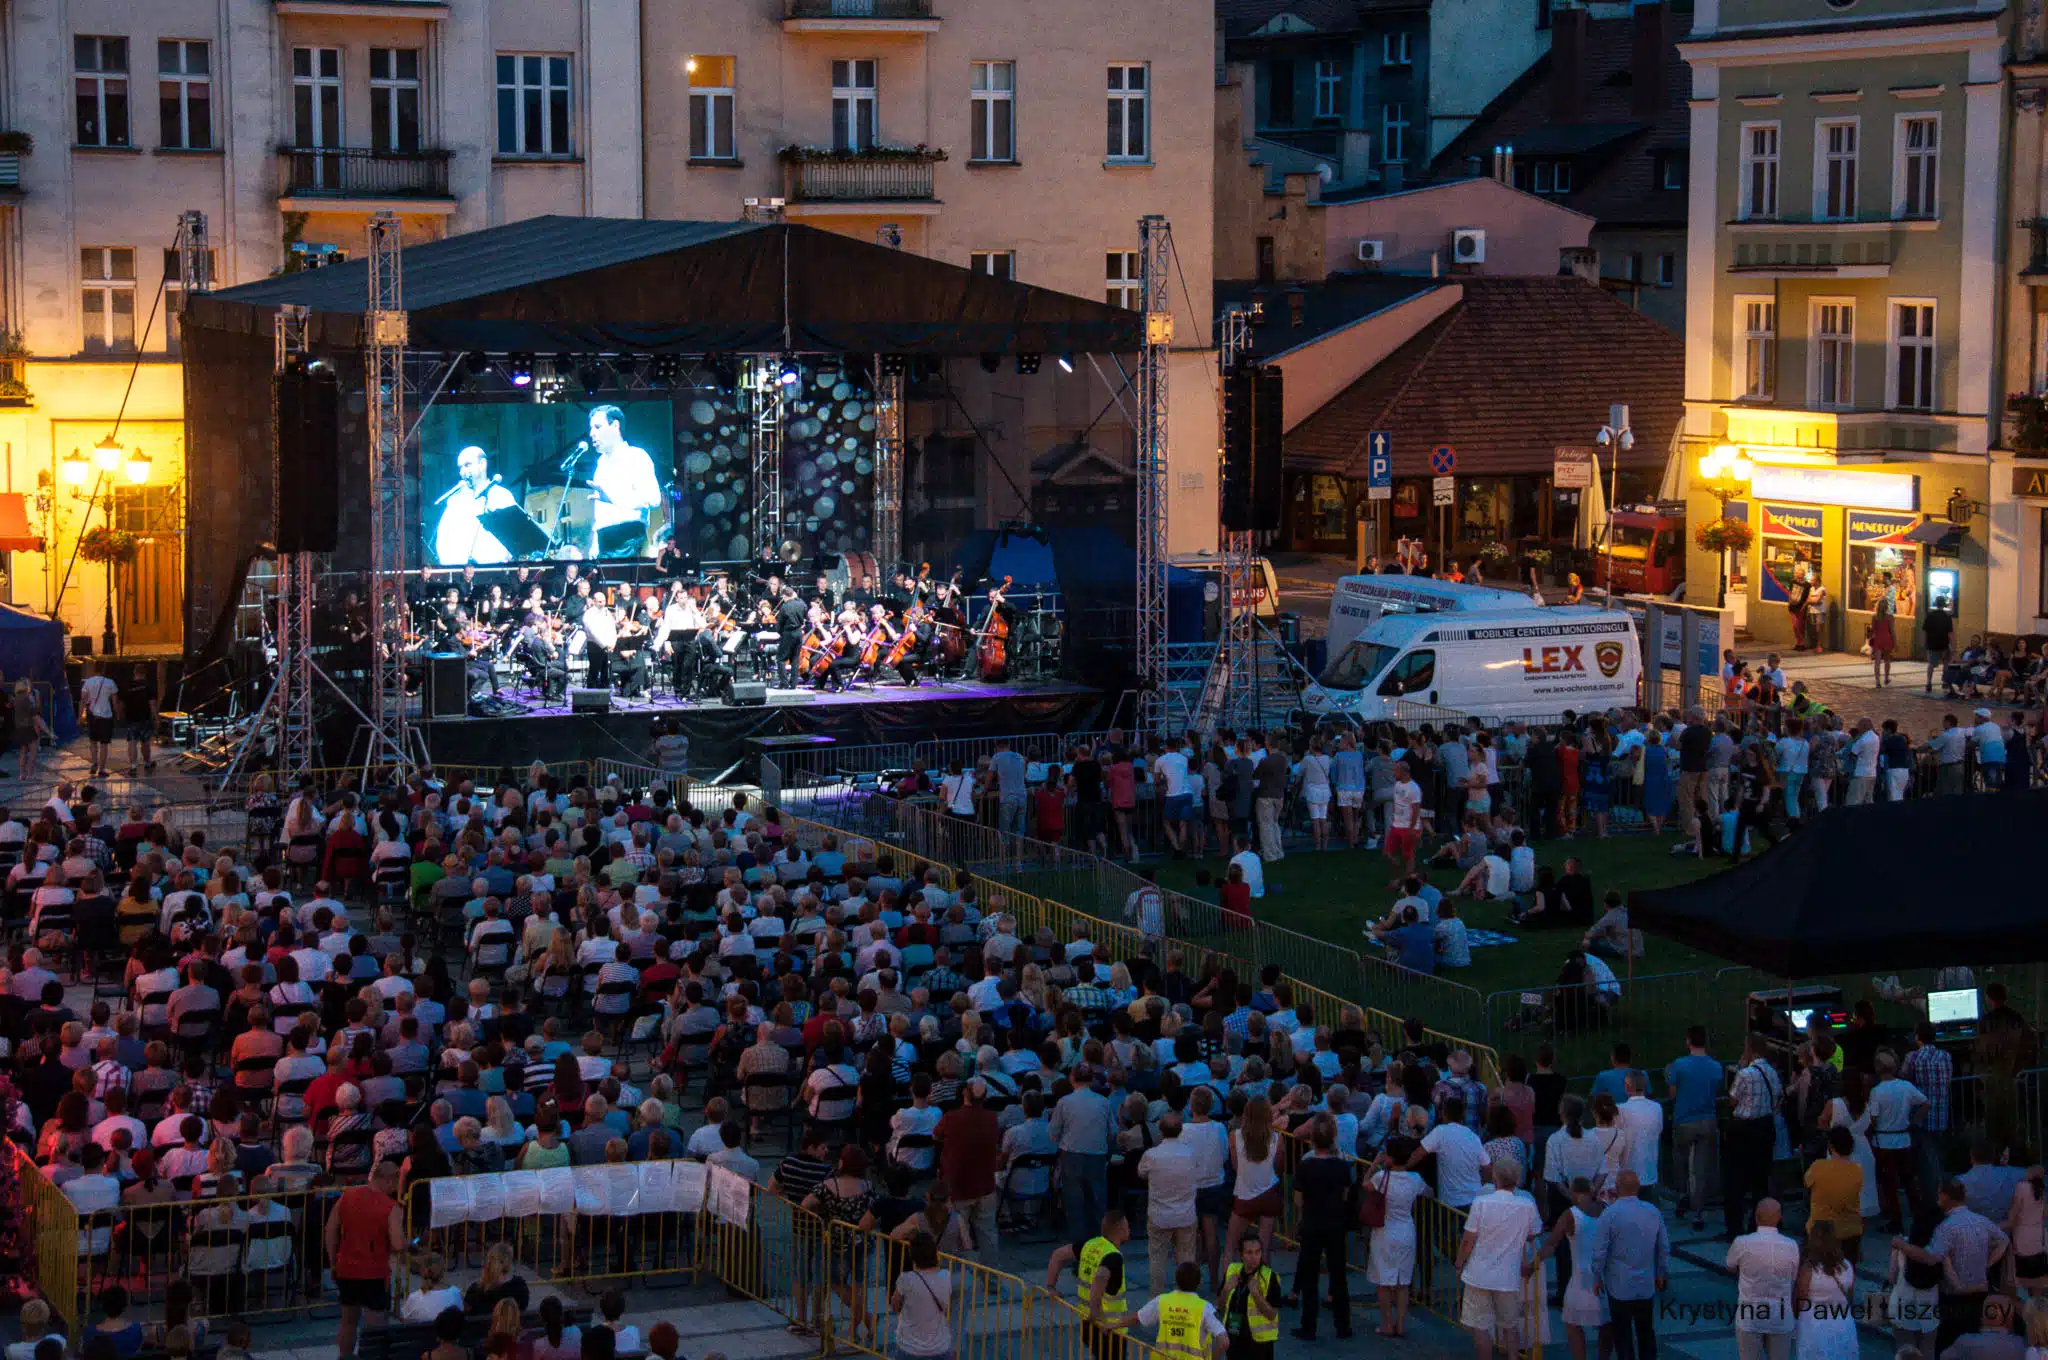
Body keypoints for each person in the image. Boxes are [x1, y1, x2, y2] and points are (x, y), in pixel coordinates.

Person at [1898, 1178, 2012, 1353]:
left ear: (1945, 1196)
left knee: (1948, 1346)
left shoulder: (1946, 1227)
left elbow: (1930, 1257)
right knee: (1972, 1343)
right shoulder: (1981, 1221)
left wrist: (1901, 1245)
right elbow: (2003, 1241)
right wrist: (1988, 1265)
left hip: (1953, 1297)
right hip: (1979, 1293)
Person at [1457, 1162, 1540, 1360]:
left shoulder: (1481, 1202)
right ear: (1517, 1180)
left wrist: (1459, 1263)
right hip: (1507, 1276)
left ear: (1494, 1179)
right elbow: (1534, 1233)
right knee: (1510, 1325)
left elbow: (1468, 1239)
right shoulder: (1527, 1205)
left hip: (1478, 1273)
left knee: (1480, 1325)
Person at [326, 1158, 405, 1360]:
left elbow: (330, 1230)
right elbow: (398, 1244)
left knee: (348, 1322)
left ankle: (344, 1357)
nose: (395, 1189)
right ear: (389, 1180)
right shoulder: (391, 1207)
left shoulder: (347, 1196)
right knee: (376, 1327)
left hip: (346, 1268)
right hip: (374, 1273)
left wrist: (333, 1262)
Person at [1589, 1171, 1667, 1360]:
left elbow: (1599, 1251)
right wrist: (1661, 1273)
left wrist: (1597, 1276)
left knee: (1622, 1336)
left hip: (1619, 1285)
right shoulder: (1652, 1211)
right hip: (1645, 1284)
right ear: (1638, 1187)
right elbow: (1663, 1247)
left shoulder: (1610, 1214)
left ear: (1616, 1188)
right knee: (1646, 1332)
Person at [1289, 1113, 1353, 1342]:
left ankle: (1309, 1326)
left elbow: (1298, 1199)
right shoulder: (1342, 1166)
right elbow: (1345, 1195)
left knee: (1310, 1277)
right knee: (1338, 1276)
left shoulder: (1305, 1166)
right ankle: (1343, 1325)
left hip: (1312, 1223)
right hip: (1335, 1223)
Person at [1367, 1134, 1430, 1337]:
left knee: (1384, 1282)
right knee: (1403, 1282)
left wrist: (1374, 1164)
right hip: (1406, 1230)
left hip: (1384, 1232)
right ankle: (1401, 1324)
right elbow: (1428, 1192)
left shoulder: (1380, 1178)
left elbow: (1365, 1184)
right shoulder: (1415, 1179)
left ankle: (1387, 1323)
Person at [1723, 1198, 1799, 1360]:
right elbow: (1793, 1277)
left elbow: (1730, 1266)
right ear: (1780, 1218)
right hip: (1780, 1316)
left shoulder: (1742, 1243)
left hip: (1750, 1315)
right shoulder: (1792, 1245)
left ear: (1756, 1217)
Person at [584, 405, 662, 557]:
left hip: (629, 540)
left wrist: (613, 499)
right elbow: (601, 512)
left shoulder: (636, 456)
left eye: (598, 427)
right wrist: (595, 546)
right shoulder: (600, 464)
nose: (591, 433)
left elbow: (654, 500)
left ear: (615, 425)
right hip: (603, 542)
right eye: (591, 428)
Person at [1109, 1261, 1226, 1360]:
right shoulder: (1205, 1308)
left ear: (1176, 1280)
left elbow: (1137, 1318)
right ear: (1199, 1283)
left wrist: (1112, 1326)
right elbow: (1224, 1342)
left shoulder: (1162, 1301)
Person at [434, 445, 519, 565]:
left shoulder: (502, 496)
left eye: (467, 465)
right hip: (460, 571)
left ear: (482, 464)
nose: (462, 472)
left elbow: (512, 538)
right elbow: (443, 538)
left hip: (493, 570)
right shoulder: (455, 501)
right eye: (460, 467)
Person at [1794, 1221, 1858, 1360]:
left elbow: (1800, 1301)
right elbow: (1850, 1297)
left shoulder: (1809, 1269)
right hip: (1843, 1323)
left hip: (1814, 1325)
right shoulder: (1847, 1266)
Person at [887, 1231, 954, 1360]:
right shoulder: (946, 1276)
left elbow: (895, 1307)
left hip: (910, 1348)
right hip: (940, 1347)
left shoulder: (906, 1279)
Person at [1218, 1235, 1283, 1360]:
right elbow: (1220, 1307)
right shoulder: (1232, 1270)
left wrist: (1256, 1294)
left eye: (1258, 1252)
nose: (1254, 1257)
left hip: (1259, 1343)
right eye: (1249, 1252)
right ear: (1241, 1255)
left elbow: (1272, 1315)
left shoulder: (1269, 1277)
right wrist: (1226, 1290)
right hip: (1234, 1335)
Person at [80, 660, 118, 778]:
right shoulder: (110, 682)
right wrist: (118, 714)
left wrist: (79, 716)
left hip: (92, 716)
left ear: (94, 669)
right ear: (104, 670)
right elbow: (115, 701)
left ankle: (94, 763)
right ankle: (102, 769)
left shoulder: (88, 682)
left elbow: (82, 700)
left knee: (93, 741)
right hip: (106, 716)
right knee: (104, 744)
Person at [1869, 569, 1898, 687]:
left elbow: (1872, 630)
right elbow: (1892, 631)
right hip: (1887, 639)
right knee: (1887, 660)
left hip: (1877, 639)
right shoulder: (1889, 617)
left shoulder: (1875, 617)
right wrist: (1895, 642)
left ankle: (1877, 681)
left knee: (1877, 662)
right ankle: (1886, 678)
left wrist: (1870, 641)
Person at [1925, 596, 1957, 694]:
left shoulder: (1930, 616)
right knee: (1945, 663)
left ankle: (1929, 682)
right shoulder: (1947, 617)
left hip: (1932, 643)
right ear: (1944, 604)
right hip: (1943, 643)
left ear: (1936, 603)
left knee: (1931, 663)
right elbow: (1950, 633)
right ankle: (1945, 681)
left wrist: (1926, 642)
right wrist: (1953, 646)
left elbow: (1926, 630)